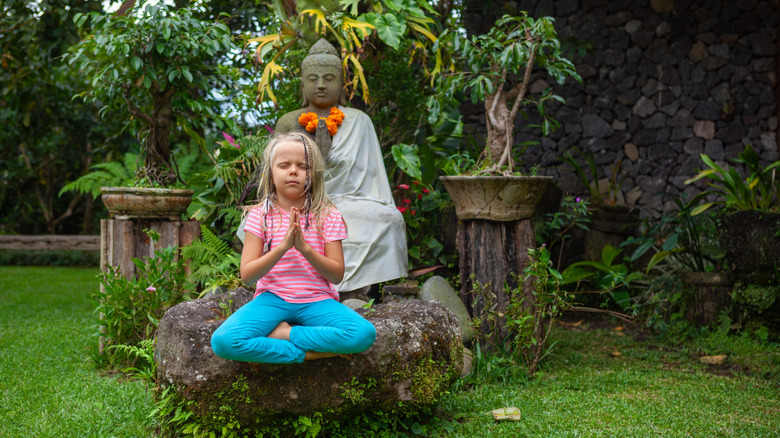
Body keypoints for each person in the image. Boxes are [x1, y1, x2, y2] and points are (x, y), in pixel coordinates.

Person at [212, 133, 376, 363]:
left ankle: (284, 335)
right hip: (273, 299)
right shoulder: (259, 216)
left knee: (363, 334)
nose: (293, 171)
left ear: (314, 174)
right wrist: (283, 247)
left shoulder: (327, 215)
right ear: (270, 173)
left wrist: (304, 248)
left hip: (317, 300)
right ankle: (305, 355)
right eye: (284, 165)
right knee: (223, 341)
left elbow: (336, 275)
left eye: (302, 166)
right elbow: (248, 275)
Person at [273, 38, 408, 294]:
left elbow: (371, 182)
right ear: (303, 85)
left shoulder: (359, 121)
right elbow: (276, 174)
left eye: (329, 78)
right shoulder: (289, 121)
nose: (321, 85)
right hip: (301, 200)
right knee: (283, 218)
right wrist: (315, 156)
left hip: (351, 200)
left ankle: (350, 288)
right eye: (313, 78)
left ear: (343, 85)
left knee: (390, 219)